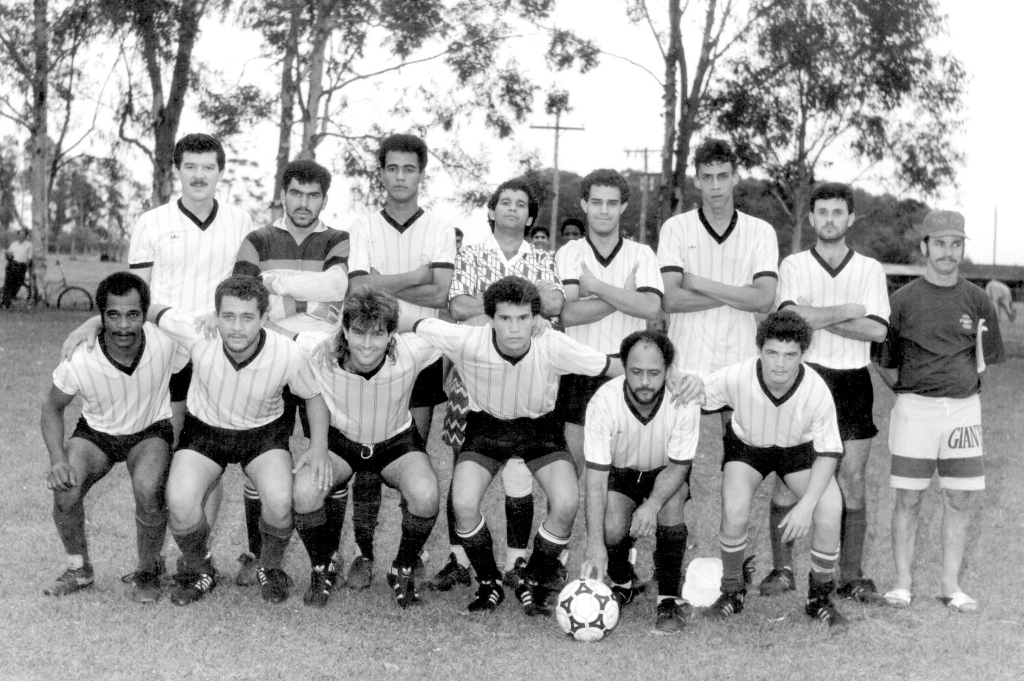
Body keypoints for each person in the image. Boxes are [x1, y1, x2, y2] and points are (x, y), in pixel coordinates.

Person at [409, 276, 620, 615]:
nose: (514, 329)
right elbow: (412, 321)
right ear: (489, 318)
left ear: (535, 318)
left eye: (523, 318)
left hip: (540, 430)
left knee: (566, 503)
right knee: (463, 503)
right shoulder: (467, 339)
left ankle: (531, 576)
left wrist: (674, 376)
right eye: (505, 318)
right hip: (486, 428)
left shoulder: (552, 343)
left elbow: (614, 366)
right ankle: (490, 582)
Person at [127, 274, 330, 606]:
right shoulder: (198, 332)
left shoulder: (287, 353)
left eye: (247, 317)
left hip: (262, 434)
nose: (237, 327)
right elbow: (145, 307)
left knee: (280, 503)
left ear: (265, 319)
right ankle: (201, 568)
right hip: (206, 431)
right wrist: (88, 326)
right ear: (215, 315)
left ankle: (270, 566)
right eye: (228, 316)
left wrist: (318, 446)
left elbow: (314, 395)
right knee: (179, 503)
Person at [429, 178, 565, 594]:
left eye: (520, 204)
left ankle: (515, 560)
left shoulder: (542, 257)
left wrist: (488, 306)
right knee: (465, 466)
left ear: (529, 216)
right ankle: (458, 558)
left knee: (519, 470)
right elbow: (457, 306)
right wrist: (518, 306)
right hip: (471, 378)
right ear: (491, 211)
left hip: (528, 378)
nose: (511, 208)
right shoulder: (470, 254)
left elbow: (556, 304)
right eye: (503, 202)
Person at [761, 183, 890, 603]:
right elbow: (789, 318)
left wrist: (814, 317)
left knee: (852, 479)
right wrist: (850, 309)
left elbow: (877, 330)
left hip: (853, 380)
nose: (830, 219)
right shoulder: (794, 264)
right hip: (805, 378)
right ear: (811, 218)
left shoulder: (869, 269)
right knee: (788, 477)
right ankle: (782, 569)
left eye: (838, 212)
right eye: (823, 212)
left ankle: (850, 575)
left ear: (850, 218)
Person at [874, 210, 1003, 613]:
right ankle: (902, 583)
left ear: (963, 248)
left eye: (956, 243)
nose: (949, 252)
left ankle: (951, 586)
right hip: (915, 410)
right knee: (908, 500)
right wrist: (909, 393)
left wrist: (957, 391)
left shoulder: (978, 299)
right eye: (941, 243)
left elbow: (985, 360)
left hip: (963, 412)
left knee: (959, 501)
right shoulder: (902, 300)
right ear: (924, 247)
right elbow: (883, 359)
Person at [344, 133, 456, 589]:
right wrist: (413, 275)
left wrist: (379, 284)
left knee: (412, 452)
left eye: (409, 169)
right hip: (370, 351)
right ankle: (363, 553)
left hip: (422, 352)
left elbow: (441, 293)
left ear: (421, 174)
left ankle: (412, 554)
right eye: (392, 168)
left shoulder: (440, 227)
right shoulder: (364, 225)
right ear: (382, 173)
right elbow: (357, 291)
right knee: (367, 456)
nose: (400, 176)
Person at [232, 158, 349, 587]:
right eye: (295, 193)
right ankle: (257, 556)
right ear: (283, 193)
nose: (303, 203)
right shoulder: (257, 239)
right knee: (259, 458)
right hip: (272, 358)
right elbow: (245, 298)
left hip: (322, 360)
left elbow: (337, 289)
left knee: (328, 455)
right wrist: (305, 304)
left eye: (312, 195)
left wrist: (274, 282)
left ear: (323, 198)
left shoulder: (338, 238)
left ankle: (330, 557)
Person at [284, 286, 440, 608]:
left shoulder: (412, 350)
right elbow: (281, 336)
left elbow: (457, 334)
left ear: (391, 334)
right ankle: (322, 566)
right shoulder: (319, 349)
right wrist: (317, 445)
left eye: (378, 334)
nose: (367, 345)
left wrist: (406, 319)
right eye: (358, 333)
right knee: (303, 491)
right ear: (344, 329)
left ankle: (403, 568)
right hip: (343, 441)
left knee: (426, 496)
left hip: (395, 441)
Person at [40, 272, 188, 603]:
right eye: (113, 315)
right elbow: (51, 407)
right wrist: (58, 460)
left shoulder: (166, 342)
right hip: (98, 433)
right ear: (100, 316)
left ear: (145, 314)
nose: (123, 325)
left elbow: (184, 375)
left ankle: (148, 571)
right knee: (66, 490)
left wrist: (177, 434)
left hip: (149, 430)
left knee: (149, 488)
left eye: (133, 314)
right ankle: (79, 570)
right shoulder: (80, 357)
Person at [702, 310, 847, 627]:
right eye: (772, 353)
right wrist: (682, 382)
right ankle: (732, 591)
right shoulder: (738, 375)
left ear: (802, 355)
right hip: (748, 447)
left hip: (798, 450)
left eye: (790, 355)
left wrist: (806, 505)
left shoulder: (816, 390)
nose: (780, 363)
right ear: (759, 350)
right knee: (735, 510)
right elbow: (699, 391)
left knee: (829, 507)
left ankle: (818, 597)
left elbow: (829, 452)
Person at [555, 169, 662, 589]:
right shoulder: (569, 253)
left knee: (622, 471)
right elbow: (565, 313)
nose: (603, 210)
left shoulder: (641, 254)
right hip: (580, 369)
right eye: (595, 202)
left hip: (628, 373)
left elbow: (652, 307)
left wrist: (597, 288)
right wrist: (625, 297)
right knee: (572, 470)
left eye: (611, 203)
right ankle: (559, 556)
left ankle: (620, 566)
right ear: (583, 204)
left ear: (623, 206)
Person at [128, 133, 256, 442]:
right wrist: (168, 319)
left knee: (207, 448)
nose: (199, 176)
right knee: (165, 442)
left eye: (208, 167)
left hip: (217, 343)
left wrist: (221, 314)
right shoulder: (150, 222)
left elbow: (246, 285)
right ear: (176, 170)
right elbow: (137, 294)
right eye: (190, 166)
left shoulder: (240, 220)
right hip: (163, 344)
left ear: (220, 172)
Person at [657, 138, 778, 453]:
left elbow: (764, 300)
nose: (715, 186)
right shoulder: (676, 228)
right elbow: (671, 300)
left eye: (722, 176)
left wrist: (697, 281)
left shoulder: (761, 231)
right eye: (707, 177)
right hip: (686, 359)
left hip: (740, 359)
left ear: (735, 176)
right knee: (676, 464)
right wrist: (740, 293)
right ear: (696, 179)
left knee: (740, 460)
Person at [579, 330, 700, 634]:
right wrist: (595, 543)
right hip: (621, 473)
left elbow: (679, 467)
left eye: (654, 372)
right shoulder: (603, 402)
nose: (645, 381)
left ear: (669, 371)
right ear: (623, 366)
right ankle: (624, 583)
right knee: (611, 525)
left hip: (665, 473)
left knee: (671, 506)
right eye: (636, 371)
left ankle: (668, 598)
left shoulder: (684, 400)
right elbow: (595, 479)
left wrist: (652, 505)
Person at [2, 228, 33, 308]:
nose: (21, 236)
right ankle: (5, 303)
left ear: (26, 236)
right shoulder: (13, 244)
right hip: (12, 265)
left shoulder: (29, 245)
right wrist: (7, 255)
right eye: (20, 234)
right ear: (18, 235)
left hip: (21, 266)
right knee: (7, 284)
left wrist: (26, 268)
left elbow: (29, 258)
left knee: (17, 284)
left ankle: (11, 298)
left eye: (23, 235)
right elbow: (9, 254)